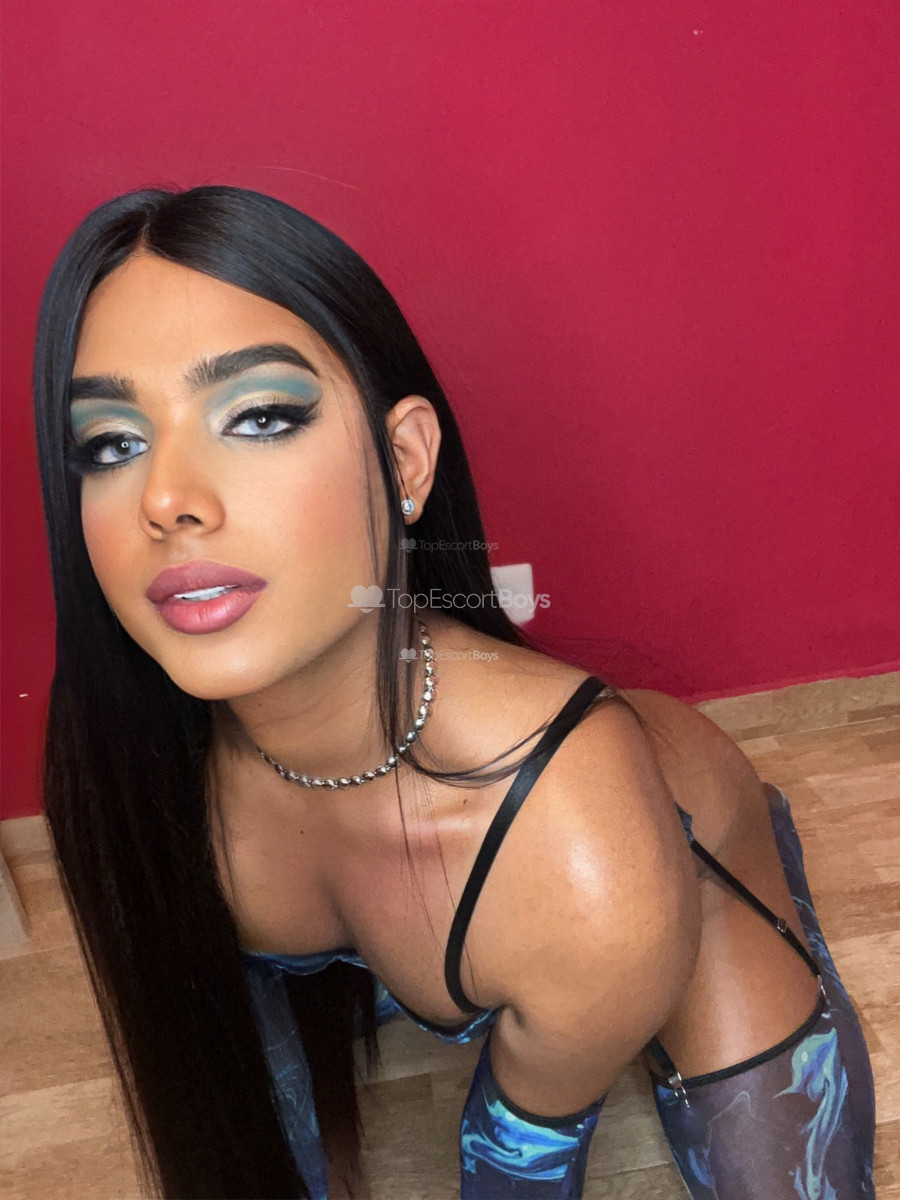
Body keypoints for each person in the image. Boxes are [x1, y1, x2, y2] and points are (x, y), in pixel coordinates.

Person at [32, 185, 875, 1200]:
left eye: (257, 416)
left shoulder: (582, 864)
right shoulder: (131, 775)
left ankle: (754, 833)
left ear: (403, 461)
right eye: (111, 443)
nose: (166, 499)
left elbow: (517, 1167)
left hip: (659, 861)